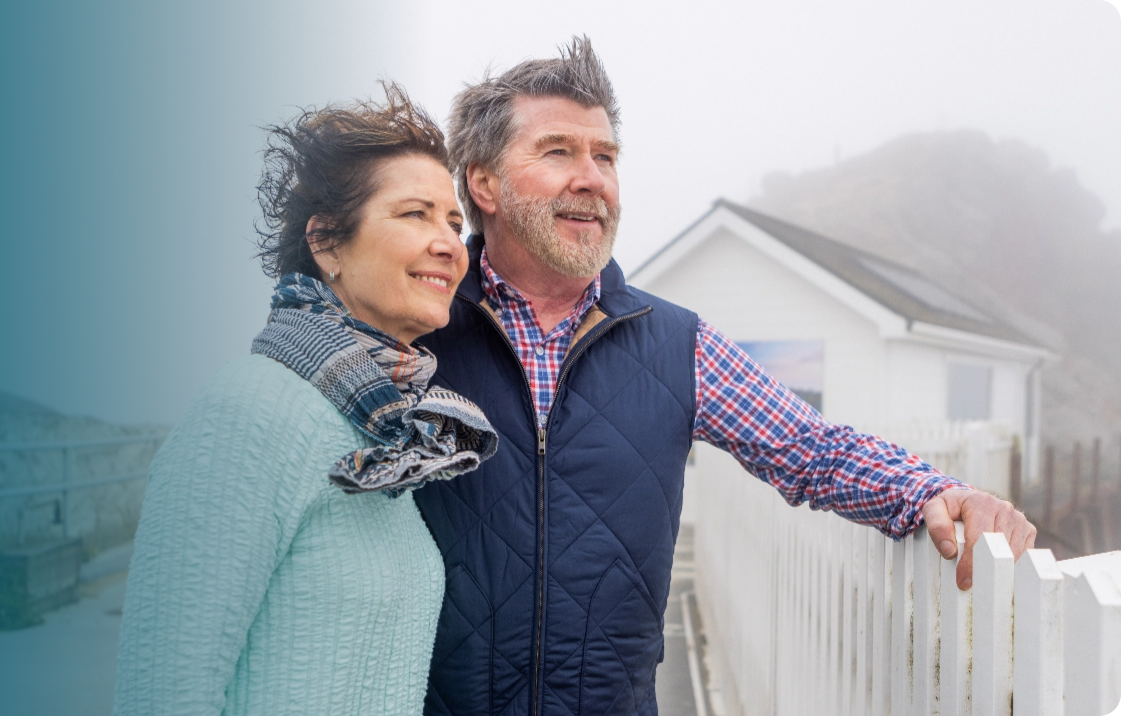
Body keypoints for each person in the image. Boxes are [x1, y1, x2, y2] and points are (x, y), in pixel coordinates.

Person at [412, 37, 1039, 716]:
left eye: (606, 156)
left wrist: (936, 491)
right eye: (558, 151)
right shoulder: (415, 327)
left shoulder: (678, 344)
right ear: (483, 184)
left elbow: (814, 451)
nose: (592, 178)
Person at [113, 83, 501, 716]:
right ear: (326, 244)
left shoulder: (389, 431)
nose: (449, 243)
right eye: (415, 214)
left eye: (454, 222)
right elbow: (161, 689)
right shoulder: (249, 410)